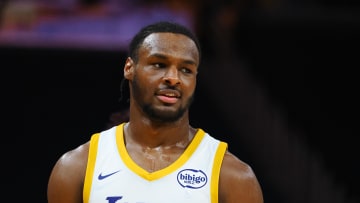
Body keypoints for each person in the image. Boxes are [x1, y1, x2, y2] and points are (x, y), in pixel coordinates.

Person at [47, 21, 264, 203]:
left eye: (186, 70)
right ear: (129, 68)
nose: (173, 77)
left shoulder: (233, 177)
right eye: (159, 64)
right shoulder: (77, 168)